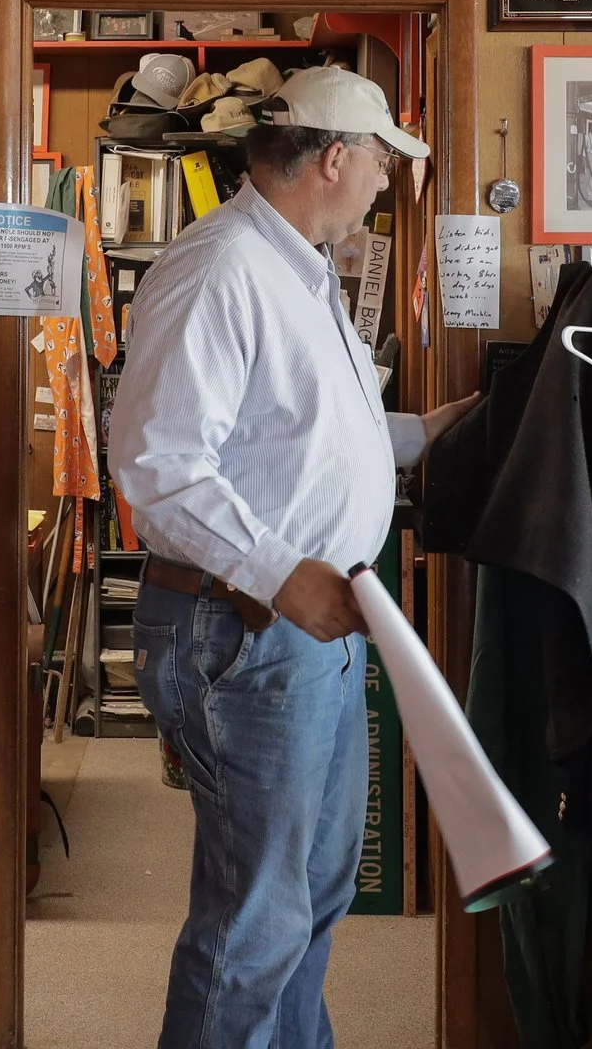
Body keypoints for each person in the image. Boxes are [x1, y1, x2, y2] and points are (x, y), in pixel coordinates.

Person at [109, 66, 479, 1049]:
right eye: (378, 169)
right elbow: (158, 467)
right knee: (257, 913)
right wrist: (280, 573)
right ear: (334, 159)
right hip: (247, 626)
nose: (381, 189)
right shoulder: (220, 269)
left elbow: (309, 439)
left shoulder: (299, 269)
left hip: (306, 626)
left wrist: (432, 430)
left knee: (311, 891)